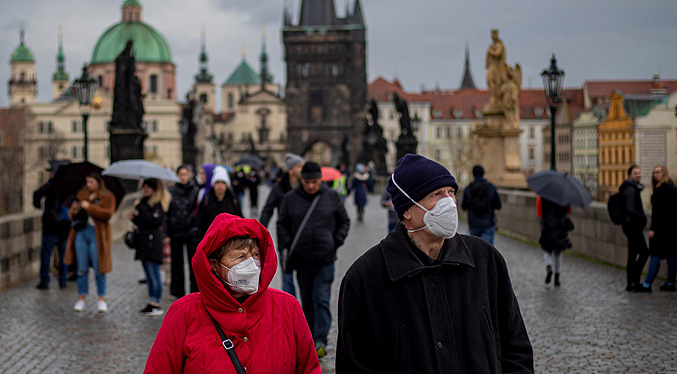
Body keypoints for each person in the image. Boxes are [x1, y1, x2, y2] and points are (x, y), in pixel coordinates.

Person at [336, 154, 533, 373]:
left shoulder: (485, 260)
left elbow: (516, 348)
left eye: (451, 193)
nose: (448, 203)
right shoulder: (365, 278)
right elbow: (353, 365)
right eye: (436, 194)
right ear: (406, 211)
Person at [144, 213, 321, 373]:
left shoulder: (287, 307)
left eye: (256, 255)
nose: (251, 264)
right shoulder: (184, 313)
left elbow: (309, 368)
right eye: (240, 257)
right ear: (214, 265)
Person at [277, 161, 351, 358]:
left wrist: (335, 242)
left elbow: (344, 221)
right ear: (301, 180)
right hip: (301, 259)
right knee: (307, 301)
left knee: (321, 299)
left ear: (321, 180)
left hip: (324, 258)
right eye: (308, 182)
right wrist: (287, 244)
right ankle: (308, 337)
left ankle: (320, 340)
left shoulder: (332, 196)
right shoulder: (290, 198)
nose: (311, 186)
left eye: (315, 182)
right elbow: (281, 224)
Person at [65, 172, 116, 313]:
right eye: (87, 182)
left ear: (98, 183)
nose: (88, 185)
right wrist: (75, 210)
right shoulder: (82, 194)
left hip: (97, 235)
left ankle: (101, 298)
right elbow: (71, 215)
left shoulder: (108, 197)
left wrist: (90, 207)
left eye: (91, 182)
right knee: (81, 268)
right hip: (81, 232)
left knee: (99, 268)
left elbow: (107, 214)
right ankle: (81, 298)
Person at [259, 153, 304, 297]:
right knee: (287, 277)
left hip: (304, 237)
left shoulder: (306, 186)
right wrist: (260, 230)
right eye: (299, 166)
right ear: (291, 170)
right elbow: (268, 209)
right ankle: (290, 309)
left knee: (304, 279)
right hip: (285, 237)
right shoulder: (279, 188)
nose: (302, 169)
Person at [130, 178, 170, 316]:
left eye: (148, 188)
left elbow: (153, 221)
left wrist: (139, 208)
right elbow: (142, 222)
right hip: (143, 242)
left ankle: (157, 303)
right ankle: (151, 300)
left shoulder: (157, 204)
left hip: (153, 243)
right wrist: (133, 218)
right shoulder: (143, 202)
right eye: (144, 187)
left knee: (154, 274)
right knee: (148, 274)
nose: (145, 190)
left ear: (153, 189)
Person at [636, 165, 677, 292]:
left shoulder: (660, 191)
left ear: (664, 173)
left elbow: (658, 213)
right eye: (654, 172)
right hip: (672, 228)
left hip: (661, 229)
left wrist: (653, 229)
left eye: (658, 172)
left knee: (655, 255)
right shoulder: (672, 188)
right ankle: (670, 283)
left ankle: (647, 285)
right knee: (672, 255)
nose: (655, 175)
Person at [33, 162, 71, 290]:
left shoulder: (51, 185)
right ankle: (63, 280)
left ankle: (45, 280)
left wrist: (39, 206)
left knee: (46, 255)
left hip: (50, 226)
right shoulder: (68, 187)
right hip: (64, 227)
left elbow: (37, 194)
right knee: (63, 256)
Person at [167, 165, 200, 298]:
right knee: (176, 263)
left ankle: (194, 290)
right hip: (175, 230)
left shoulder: (196, 191)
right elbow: (167, 211)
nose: (183, 177)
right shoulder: (171, 191)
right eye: (181, 174)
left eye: (185, 174)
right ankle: (177, 291)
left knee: (193, 263)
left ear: (190, 175)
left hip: (190, 230)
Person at [619, 165, 650, 292]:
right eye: (635, 173)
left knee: (636, 253)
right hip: (632, 226)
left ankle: (632, 281)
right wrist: (642, 216)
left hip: (631, 225)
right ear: (630, 175)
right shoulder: (631, 190)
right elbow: (631, 209)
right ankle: (632, 282)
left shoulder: (631, 188)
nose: (638, 175)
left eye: (639, 173)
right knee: (641, 253)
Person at [195, 166, 242, 241]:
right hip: (210, 239)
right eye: (217, 182)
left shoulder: (233, 200)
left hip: (229, 240)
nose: (220, 186)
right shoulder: (206, 200)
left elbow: (239, 219)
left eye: (223, 183)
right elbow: (200, 222)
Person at [461, 165, 502, 245]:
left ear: (473, 174)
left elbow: (464, 206)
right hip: (488, 223)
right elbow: (498, 205)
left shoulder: (468, 188)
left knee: (474, 249)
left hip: (474, 223)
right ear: (484, 173)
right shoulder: (491, 187)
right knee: (488, 250)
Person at [537, 195, 572, 286]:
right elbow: (568, 211)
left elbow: (539, 212)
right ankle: (557, 276)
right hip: (560, 226)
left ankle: (549, 267)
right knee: (558, 252)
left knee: (546, 249)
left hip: (547, 226)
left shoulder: (542, 196)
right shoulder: (563, 196)